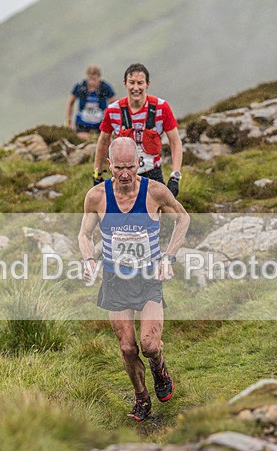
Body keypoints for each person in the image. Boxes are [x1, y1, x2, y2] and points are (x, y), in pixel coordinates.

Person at [79, 137, 190, 422]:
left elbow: (183, 219)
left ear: (139, 163)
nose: (125, 174)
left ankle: (159, 367)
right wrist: (89, 259)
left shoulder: (155, 192)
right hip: (115, 281)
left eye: (130, 167)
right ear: (109, 165)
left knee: (149, 345)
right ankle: (141, 397)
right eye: (119, 168)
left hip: (148, 278)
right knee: (128, 347)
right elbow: (85, 233)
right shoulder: (97, 197)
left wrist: (169, 257)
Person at [93, 63, 183, 198]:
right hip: (122, 175)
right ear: (125, 84)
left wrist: (175, 176)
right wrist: (97, 174)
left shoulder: (162, 107)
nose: (136, 88)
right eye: (132, 83)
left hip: (153, 173)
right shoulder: (113, 110)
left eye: (140, 83)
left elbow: (175, 142)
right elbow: (103, 142)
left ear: (147, 84)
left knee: (162, 209)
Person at [66, 65, 117, 138]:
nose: (91, 82)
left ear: (99, 78)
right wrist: (68, 122)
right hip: (82, 123)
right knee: (81, 140)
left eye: (94, 79)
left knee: (100, 141)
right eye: (89, 79)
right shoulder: (80, 87)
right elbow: (70, 103)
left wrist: (110, 120)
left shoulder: (105, 88)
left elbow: (114, 103)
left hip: (100, 124)